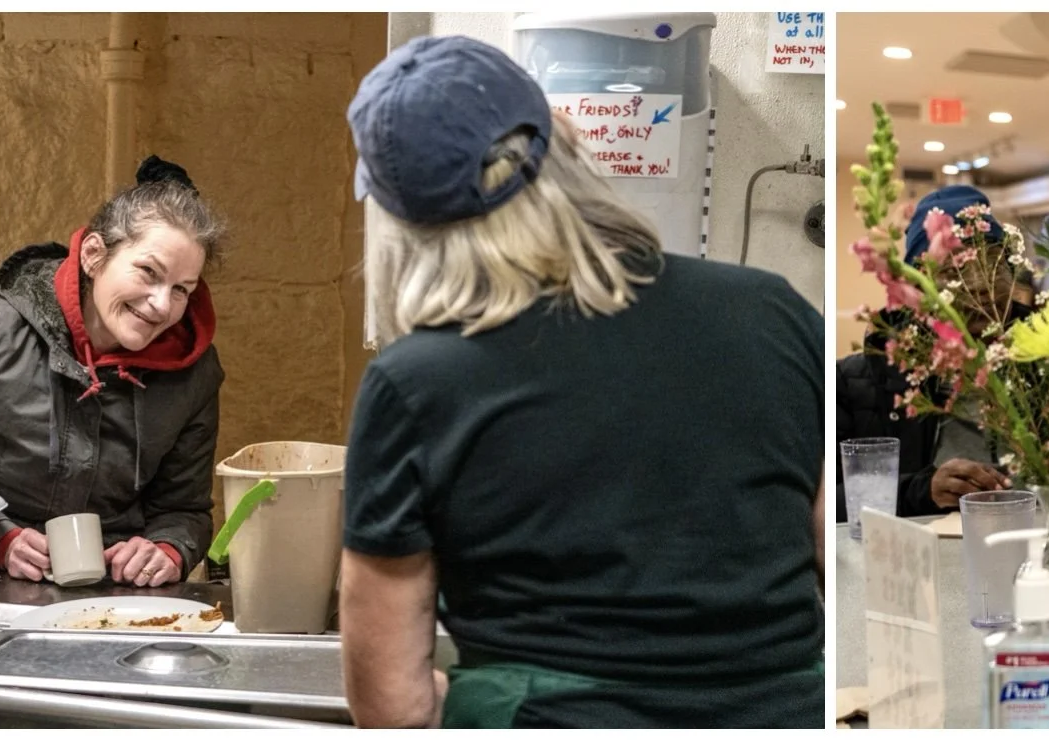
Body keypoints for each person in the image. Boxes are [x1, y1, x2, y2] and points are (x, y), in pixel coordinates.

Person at [335, 36, 823, 729]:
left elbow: (392, 707)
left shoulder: (413, 384)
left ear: (404, 221)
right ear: (564, 138)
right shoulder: (773, 313)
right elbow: (843, 564)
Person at [0, 156, 224, 589]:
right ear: (93, 255)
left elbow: (185, 509)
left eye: (182, 289)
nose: (162, 304)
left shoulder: (193, 373)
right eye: (148, 272)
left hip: (117, 602)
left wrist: (167, 549)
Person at [835, 185, 1015, 522]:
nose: (977, 285)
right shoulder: (852, 385)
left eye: (992, 267)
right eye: (953, 271)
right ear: (915, 290)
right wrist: (919, 492)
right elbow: (821, 502)